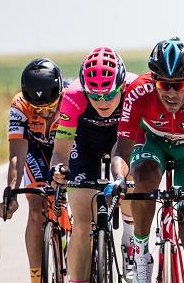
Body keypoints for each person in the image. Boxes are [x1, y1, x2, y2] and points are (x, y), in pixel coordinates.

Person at [110, 37, 184, 283]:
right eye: (164, 85)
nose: (171, 93)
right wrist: (120, 180)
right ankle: (141, 254)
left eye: (180, 86)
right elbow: (121, 151)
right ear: (154, 80)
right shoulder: (138, 91)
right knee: (143, 175)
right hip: (152, 141)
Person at [50, 47, 138, 283]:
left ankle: (129, 237)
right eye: (95, 96)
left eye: (109, 95)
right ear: (85, 90)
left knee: (129, 183)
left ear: (121, 86)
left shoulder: (135, 90)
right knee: (81, 222)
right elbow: (60, 150)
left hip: (120, 138)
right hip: (85, 142)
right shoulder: (73, 96)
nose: (102, 102)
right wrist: (59, 170)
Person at [0, 58, 64, 283]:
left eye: (50, 108)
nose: (44, 114)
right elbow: (16, 155)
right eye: (38, 109)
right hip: (34, 149)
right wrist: (11, 193)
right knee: (36, 208)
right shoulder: (19, 105)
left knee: (79, 195)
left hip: (65, 146)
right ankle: (36, 277)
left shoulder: (71, 99)